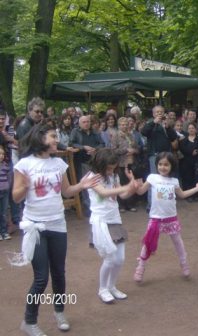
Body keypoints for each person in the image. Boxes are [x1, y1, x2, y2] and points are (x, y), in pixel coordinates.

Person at [12, 123, 100, 336]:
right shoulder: (24, 164)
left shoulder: (59, 163)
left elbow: (67, 191)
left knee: (59, 273)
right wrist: (25, 185)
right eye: (53, 136)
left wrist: (83, 185)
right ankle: (29, 321)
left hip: (58, 224)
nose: (56, 140)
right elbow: (16, 197)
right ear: (40, 138)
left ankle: (59, 311)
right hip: (35, 226)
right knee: (41, 278)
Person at [133, 152, 198, 282]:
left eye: (166, 165)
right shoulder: (152, 178)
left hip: (171, 218)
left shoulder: (174, 181)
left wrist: (196, 188)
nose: (162, 167)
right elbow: (140, 191)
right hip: (155, 218)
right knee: (147, 243)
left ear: (172, 166)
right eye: (160, 164)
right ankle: (141, 267)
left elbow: (182, 195)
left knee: (178, 242)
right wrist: (135, 185)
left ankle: (184, 264)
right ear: (156, 165)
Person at [87, 148, 138, 303]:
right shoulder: (92, 177)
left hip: (115, 220)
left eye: (113, 168)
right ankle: (103, 289)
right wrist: (126, 187)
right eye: (108, 168)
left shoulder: (114, 176)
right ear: (100, 165)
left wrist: (131, 186)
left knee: (120, 259)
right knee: (109, 259)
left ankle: (112, 286)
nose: (111, 171)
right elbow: (103, 193)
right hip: (101, 222)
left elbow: (121, 195)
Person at [141, 105, 178, 209]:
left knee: (166, 179)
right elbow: (143, 132)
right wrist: (154, 122)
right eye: (157, 112)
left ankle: (164, 202)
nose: (159, 114)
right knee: (154, 179)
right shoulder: (150, 124)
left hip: (167, 155)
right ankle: (151, 205)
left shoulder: (166, 124)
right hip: (155, 155)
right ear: (153, 114)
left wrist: (168, 127)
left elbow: (173, 137)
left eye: (161, 112)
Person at [70, 115, 105, 216]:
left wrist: (95, 149)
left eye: (88, 122)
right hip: (82, 161)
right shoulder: (75, 132)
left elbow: (102, 144)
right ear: (80, 123)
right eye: (84, 122)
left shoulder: (95, 132)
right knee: (86, 185)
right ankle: (88, 208)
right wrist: (83, 147)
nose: (86, 124)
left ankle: (97, 205)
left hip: (94, 161)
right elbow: (71, 143)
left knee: (97, 183)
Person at [111, 117, 139, 212]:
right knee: (121, 183)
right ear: (119, 126)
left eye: (126, 124)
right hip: (121, 163)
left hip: (131, 162)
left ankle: (130, 204)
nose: (124, 126)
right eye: (122, 125)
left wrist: (134, 151)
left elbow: (137, 148)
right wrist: (125, 150)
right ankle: (121, 205)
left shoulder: (131, 135)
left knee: (131, 183)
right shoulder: (116, 136)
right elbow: (113, 150)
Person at [179, 122, 198, 202]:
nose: (191, 130)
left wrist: (197, 151)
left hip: (197, 163)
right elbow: (182, 149)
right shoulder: (184, 140)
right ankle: (188, 196)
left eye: (192, 128)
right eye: (189, 128)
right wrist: (191, 152)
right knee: (187, 179)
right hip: (186, 162)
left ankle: (197, 195)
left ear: (195, 129)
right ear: (187, 130)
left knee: (197, 179)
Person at [0, 145, 11, 240]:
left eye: (2, 153)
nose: (1, 156)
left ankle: (4, 231)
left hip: (5, 191)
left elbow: (8, 177)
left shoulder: (5, 166)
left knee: (4, 213)